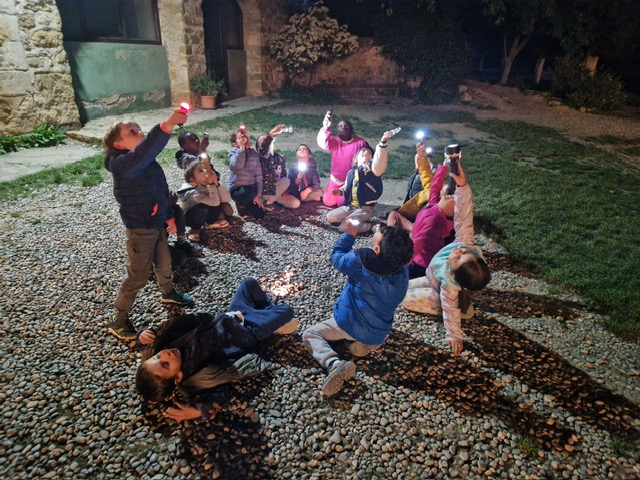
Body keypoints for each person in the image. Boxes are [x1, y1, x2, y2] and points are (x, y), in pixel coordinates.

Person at [135, 278, 297, 420]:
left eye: (157, 357)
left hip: (230, 316)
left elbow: (153, 339)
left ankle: (266, 315)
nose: (165, 355)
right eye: (165, 364)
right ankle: (267, 320)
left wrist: (142, 336)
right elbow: (220, 395)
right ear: (178, 377)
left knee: (249, 283)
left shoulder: (163, 346)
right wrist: (199, 410)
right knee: (287, 311)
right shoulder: (193, 382)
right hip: (247, 332)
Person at [102, 109, 194, 341]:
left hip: (156, 224)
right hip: (140, 229)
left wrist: (168, 217)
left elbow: (160, 191)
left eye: (139, 129)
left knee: (164, 263)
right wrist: (167, 125)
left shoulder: (147, 162)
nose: (140, 132)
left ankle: (168, 292)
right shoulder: (123, 164)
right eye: (132, 132)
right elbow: (146, 150)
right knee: (138, 276)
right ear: (118, 144)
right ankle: (119, 319)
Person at [302, 223, 413, 396]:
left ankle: (334, 363)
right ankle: (364, 345)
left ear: (377, 250)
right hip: (381, 331)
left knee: (310, 334)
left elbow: (336, 257)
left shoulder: (362, 262)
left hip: (351, 324)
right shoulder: (402, 269)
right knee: (366, 330)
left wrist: (349, 235)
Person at [401, 160, 491, 356]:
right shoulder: (465, 242)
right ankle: (465, 305)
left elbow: (450, 310)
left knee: (403, 299)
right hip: (430, 276)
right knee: (399, 287)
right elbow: (465, 214)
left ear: (454, 273)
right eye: (465, 253)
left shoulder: (449, 286)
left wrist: (455, 336)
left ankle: (463, 308)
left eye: (458, 259)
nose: (458, 251)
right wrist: (462, 185)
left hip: (439, 289)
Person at [326, 130, 394, 234]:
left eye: (369, 152)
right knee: (330, 216)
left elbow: (380, 160)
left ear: (372, 158)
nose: (366, 152)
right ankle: (354, 221)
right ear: (356, 159)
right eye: (363, 151)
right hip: (350, 207)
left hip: (365, 208)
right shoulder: (351, 173)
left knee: (345, 226)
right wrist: (340, 191)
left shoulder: (373, 170)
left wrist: (383, 142)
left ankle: (371, 226)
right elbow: (347, 187)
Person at [406, 164, 455, 278]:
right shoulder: (435, 205)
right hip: (422, 257)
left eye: (442, 192)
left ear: (447, 198)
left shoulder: (435, 221)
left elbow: (419, 243)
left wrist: (407, 260)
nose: (439, 191)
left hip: (421, 263)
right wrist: (443, 167)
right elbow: (435, 187)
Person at [316, 112, 368, 207]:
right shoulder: (335, 141)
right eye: (340, 126)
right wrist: (325, 128)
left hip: (351, 181)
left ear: (351, 129)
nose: (343, 127)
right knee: (328, 202)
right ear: (337, 130)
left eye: (346, 125)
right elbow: (323, 143)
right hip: (336, 180)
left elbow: (368, 159)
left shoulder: (360, 143)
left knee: (341, 203)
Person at [177, 157, 233, 242]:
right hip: (190, 216)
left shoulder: (207, 185)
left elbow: (226, 199)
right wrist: (211, 184)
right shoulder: (192, 192)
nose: (205, 171)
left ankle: (209, 223)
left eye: (205, 168)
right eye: (200, 171)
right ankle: (195, 229)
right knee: (203, 208)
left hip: (208, 207)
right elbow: (214, 202)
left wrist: (216, 184)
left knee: (224, 206)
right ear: (192, 179)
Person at [387, 142, 436, 230]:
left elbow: (425, 173)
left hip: (421, 214)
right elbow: (409, 194)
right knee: (393, 214)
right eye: (416, 158)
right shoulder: (414, 176)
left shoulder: (433, 177)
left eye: (420, 159)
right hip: (414, 210)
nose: (418, 160)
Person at [256, 126, 300, 210]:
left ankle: (268, 202)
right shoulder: (261, 157)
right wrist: (272, 134)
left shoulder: (280, 157)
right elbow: (265, 148)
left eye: (265, 140)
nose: (264, 142)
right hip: (266, 190)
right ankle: (269, 203)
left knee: (296, 203)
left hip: (277, 190)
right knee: (286, 180)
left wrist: (284, 191)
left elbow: (283, 174)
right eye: (261, 141)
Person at [228, 126, 266, 219]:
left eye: (246, 137)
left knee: (260, 215)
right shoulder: (234, 152)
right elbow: (236, 167)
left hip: (252, 189)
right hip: (238, 189)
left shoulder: (254, 154)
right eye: (241, 138)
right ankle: (240, 203)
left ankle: (247, 204)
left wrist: (258, 195)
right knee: (248, 193)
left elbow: (259, 176)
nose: (245, 140)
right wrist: (242, 148)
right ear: (234, 144)